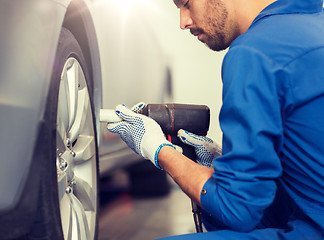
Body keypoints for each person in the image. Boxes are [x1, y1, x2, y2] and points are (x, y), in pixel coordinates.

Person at [106, 0, 324, 239]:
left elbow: (237, 209)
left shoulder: (255, 51)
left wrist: (158, 150)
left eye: (186, 3)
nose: (183, 22)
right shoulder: (313, 25)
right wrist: (225, 165)